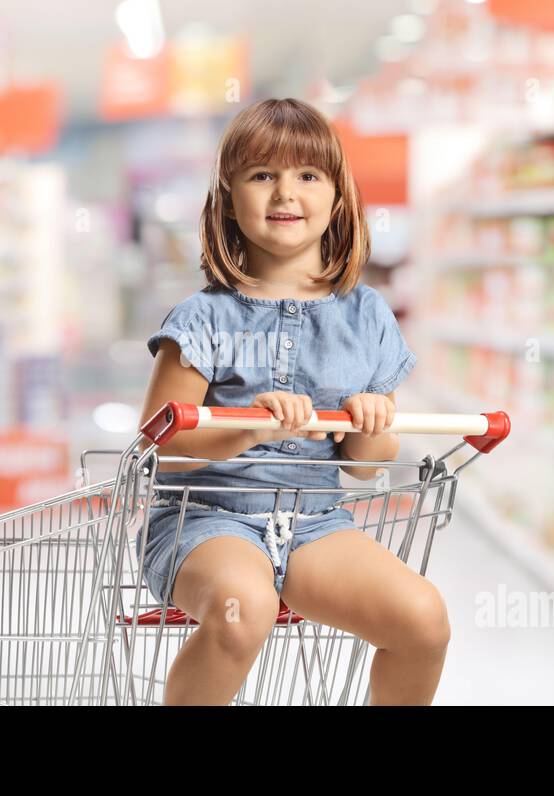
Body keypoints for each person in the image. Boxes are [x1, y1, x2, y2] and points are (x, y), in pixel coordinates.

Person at [136, 98, 450, 706]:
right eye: (262, 175)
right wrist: (247, 430)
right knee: (240, 611)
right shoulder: (203, 318)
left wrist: (374, 420)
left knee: (422, 618)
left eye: (308, 176)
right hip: (205, 520)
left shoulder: (366, 316)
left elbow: (364, 464)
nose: (285, 193)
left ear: (337, 196)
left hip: (316, 525)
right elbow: (163, 449)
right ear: (229, 196)